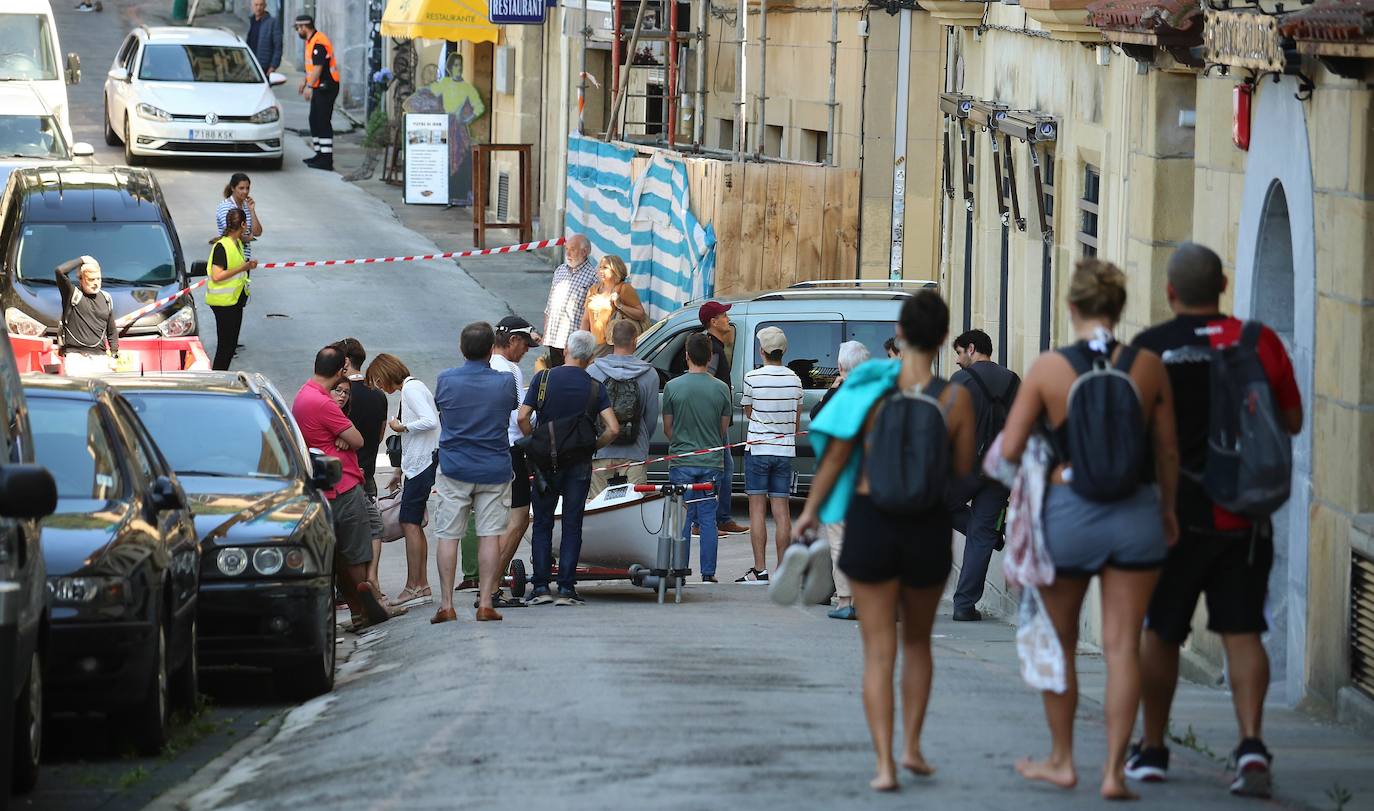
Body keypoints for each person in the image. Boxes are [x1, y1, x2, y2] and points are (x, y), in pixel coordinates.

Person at [994, 259, 1178, 801]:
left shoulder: (1050, 369)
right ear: (1119, 310)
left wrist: (1049, 468)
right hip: (1136, 514)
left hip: (1069, 515)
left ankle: (1062, 760)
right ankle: (1115, 773)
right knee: (1123, 645)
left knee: (1061, 642)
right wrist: (1167, 509)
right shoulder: (1148, 367)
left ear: (1071, 308)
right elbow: (1167, 449)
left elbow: (1008, 449)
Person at [1126, 243, 1302, 797]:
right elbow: (1291, 420)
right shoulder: (1259, 341)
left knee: (1161, 632)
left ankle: (1152, 750)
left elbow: (1128, 436)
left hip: (1171, 520)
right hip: (1243, 520)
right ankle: (1251, 747)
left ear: (1170, 293)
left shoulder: (1149, 348)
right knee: (1244, 631)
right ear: (1223, 285)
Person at [793, 291, 975, 792]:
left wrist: (809, 512)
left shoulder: (870, 388)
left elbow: (835, 456)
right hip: (927, 526)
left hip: (872, 520)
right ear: (941, 339)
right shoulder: (956, 398)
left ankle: (884, 765)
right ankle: (913, 748)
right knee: (917, 645)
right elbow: (962, 471)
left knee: (878, 652)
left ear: (900, 333)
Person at [292, 346, 393, 631]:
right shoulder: (322, 403)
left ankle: (359, 611)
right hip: (343, 485)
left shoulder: (304, 394)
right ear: (341, 371)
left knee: (340, 556)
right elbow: (358, 440)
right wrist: (345, 437)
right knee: (356, 554)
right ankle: (364, 611)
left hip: (324, 485)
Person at [518, 330, 620, 605]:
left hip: (545, 463)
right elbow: (613, 427)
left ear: (566, 350)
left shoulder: (543, 378)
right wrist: (593, 446)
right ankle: (566, 588)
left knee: (542, 522)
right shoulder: (595, 386)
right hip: (579, 464)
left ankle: (540, 587)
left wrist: (535, 442)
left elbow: (523, 417)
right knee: (573, 523)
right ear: (589, 358)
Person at [431, 323, 517, 623]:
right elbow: (510, 411)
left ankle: (446, 604)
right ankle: (485, 602)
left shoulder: (445, 380)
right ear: (492, 349)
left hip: (455, 466)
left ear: (461, 348)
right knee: (490, 535)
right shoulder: (505, 382)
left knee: (448, 535)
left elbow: (441, 408)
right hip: (494, 466)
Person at [947, 328, 1020, 622]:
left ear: (972, 348)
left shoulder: (960, 381)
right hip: (1000, 471)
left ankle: (987, 534)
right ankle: (964, 606)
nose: (957, 360)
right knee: (981, 533)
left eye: (959, 353)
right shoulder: (1013, 380)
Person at [366, 353, 440, 607]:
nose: (378, 387)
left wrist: (402, 427)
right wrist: (399, 470)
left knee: (410, 523)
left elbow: (430, 421)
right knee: (413, 523)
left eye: (377, 381)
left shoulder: (411, 389)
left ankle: (415, 586)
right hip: (417, 465)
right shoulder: (411, 388)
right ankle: (421, 585)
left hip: (422, 465)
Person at [673, 301, 751, 537]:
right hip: (713, 421)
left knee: (723, 468)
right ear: (713, 322)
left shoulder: (715, 345)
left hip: (714, 420)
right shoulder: (713, 349)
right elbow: (708, 382)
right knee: (715, 469)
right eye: (723, 315)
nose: (727, 319)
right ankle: (704, 521)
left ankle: (721, 517)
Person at [662, 333, 733, 583]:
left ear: (687, 355)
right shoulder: (722, 388)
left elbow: (668, 428)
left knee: (682, 517)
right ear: (710, 357)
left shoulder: (672, 387)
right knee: (708, 518)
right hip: (712, 461)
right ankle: (708, 573)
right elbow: (722, 429)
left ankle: (679, 570)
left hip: (681, 460)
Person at [736, 326, 803, 584]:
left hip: (759, 449)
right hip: (784, 451)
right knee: (782, 510)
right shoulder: (795, 379)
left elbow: (748, 411)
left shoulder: (752, 377)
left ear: (762, 351)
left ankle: (760, 569)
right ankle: (783, 571)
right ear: (783, 351)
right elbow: (796, 423)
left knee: (756, 508)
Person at [810, 340, 870, 619]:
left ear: (840, 367)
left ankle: (846, 600)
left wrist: (831, 391)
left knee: (840, 540)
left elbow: (816, 418)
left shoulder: (838, 395)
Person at [489, 316, 542, 608]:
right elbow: (520, 417)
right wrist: (534, 435)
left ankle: (490, 584)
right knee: (519, 519)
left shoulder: (488, 365)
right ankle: (492, 585)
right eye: (524, 345)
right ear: (512, 342)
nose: (525, 352)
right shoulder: (509, 370)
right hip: (511, 449)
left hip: (490, 451)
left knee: (498, 522)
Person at [336, 338, 389, 599]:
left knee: (347, 535)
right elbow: (379, 436)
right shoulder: (378, 395)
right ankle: (371, 580)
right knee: (371, 529)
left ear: (344, 362)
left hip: (343, 475)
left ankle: (349, 589)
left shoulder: (337, 394)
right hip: (366, 473)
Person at [587, 319, 659, 498]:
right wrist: (639, 437)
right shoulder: (649, 374)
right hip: (634, 452)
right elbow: (650, 419)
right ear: (635, 340)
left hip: (601, 451)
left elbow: (588, 413)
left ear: (611, 339)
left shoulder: (593, 371)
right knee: (632, 505)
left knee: (597, 506)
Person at [206, 208, 257, 371]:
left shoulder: (238, 244)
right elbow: (217, 275)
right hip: (223, 304)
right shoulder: (222, 246)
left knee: (231, 345)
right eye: (246, 223)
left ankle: (222, 376)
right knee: (225, 346)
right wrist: (244, 267)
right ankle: (217, 378)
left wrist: (247, 267)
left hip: (234, 301)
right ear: (242, 224)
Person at [53, 255, 118, 377]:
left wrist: (114, 355)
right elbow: (59, 271)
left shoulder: (106, 299)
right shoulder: (72, 295)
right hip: (76, 359)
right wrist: (83, 259)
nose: (96, 283)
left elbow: (112, 331)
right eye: (91, 279)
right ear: (81, 279)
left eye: (98, 279)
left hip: (101, 359)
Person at [542, 235, 598, 368]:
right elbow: (550, 305)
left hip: (573, 343)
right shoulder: (560, 270)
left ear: (584, 252)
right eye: (566, 248)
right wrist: (546, 332)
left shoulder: (593, 276)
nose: (567, 253)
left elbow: (590, 315)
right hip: (554, 337)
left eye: (572, 249)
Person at [294, 15, 339, 170]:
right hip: (320, 86)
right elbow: (312, 68)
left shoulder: (318, 42)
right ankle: (319, 154)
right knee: (314, 120)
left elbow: (319, 68)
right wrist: (305, 80)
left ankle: (326, 160)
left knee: (322, 121)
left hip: (327, 87)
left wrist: (309, 86)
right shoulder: (311, 41)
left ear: (303, 27)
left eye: (297, 28)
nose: (297, 31)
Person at [581, 254, 646, 355]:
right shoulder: (593, 289)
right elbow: (586, 319)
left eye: (605, 267)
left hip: (612, 345)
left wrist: (619, 304)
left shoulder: (624, 288)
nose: (601, 270)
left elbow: (640, 314)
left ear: (616, 270)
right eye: (600, 267)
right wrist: (582, 340)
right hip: (593, 345)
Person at [216, 173, 263, 260]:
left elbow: (257, 232)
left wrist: (252, 210)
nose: (245, 191)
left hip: (244, 256)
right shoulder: (225, 207)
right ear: (233, 188)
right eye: (241, 188)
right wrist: (249, 237)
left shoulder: (247, 206)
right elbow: (232, 233)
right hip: (229, 255)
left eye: (247, 188)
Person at [246, 0, 282, 76]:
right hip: (251, 65)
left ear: (265, 6)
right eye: (256, 5)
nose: (258, 8)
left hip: (264, 66)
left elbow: (278, 46)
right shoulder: (251, 21)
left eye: (261, 5)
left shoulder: (272, 22)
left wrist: (273, 66)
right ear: (252, 6)